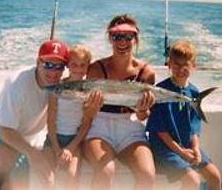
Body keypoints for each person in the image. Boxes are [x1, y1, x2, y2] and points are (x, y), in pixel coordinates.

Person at [0, 39, 70, 190]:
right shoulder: (17, 84)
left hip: (27, 136)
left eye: (59, 67)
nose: (53, 72)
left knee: (24, 185)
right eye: (48, 65)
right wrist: (33, 154)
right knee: (7, 159)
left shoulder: (62, 86)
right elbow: (5, 131)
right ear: (38, 62)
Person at [83, 14, 156, 190]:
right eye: (117, 36)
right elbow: (87, 113)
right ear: (110, 38)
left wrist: (142, 110)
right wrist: (91, 108)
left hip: (130, 128)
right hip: (99, 125)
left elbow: (143, 116)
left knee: (147, 175)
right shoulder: (96, 69)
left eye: (128, 36)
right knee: (105, 171)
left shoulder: (147, 73)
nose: (122, 42)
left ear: (135, 39)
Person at [146, 40, 221, 190]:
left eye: (185, 65)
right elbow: (160, 131)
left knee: (215, 177)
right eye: (177, 64)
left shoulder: (194, 93)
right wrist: (181, 152)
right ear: (169, 65)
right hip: (164, 147)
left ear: (193, 66)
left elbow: (194, 129)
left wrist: (196, 150)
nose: (181, 69)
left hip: (187, 145)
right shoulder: (159, 91)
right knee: (192, 180)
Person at [44, 44, 102, 190]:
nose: (78, 69)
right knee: (47, 177)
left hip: (75, 141)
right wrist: (57, 149)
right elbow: (50, 120)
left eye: (82, 65)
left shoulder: (90, 92)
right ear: (68, 66)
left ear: (88, 66)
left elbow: (86, 123)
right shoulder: (57, 88)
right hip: (52, 140)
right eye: (74, 64)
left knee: (71, 176)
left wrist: (70, 148)